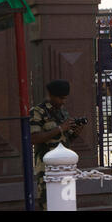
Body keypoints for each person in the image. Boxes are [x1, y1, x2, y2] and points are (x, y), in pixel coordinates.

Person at [30, 80, 84, 211]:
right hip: (46, 168)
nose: (63, 101)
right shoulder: (38, 112)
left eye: (65, 98)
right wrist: (60, 128)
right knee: (48, 202)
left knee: (66, 202)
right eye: (60, 98)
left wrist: (76, 132)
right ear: (51, 95)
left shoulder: (62, 112)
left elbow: (66, 140)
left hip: (65, 166)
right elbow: (34, 138)